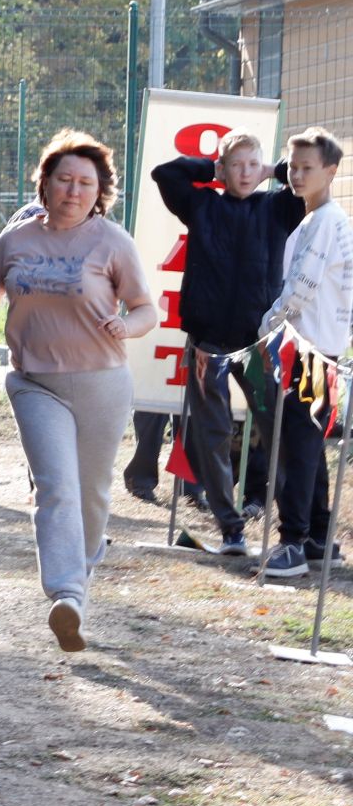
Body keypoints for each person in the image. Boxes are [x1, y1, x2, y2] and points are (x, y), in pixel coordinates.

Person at [0, 131, 159, 652]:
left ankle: (82, 568)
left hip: (102, 381)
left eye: (85, 183)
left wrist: (130, 326)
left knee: (92, 495)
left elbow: (147, 308)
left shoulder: (111, 241)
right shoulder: (16, 240)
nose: (73, 190)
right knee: (55, 487)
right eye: (64, 180)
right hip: (34, 383)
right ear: (45, 184)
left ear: (99, 191)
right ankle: (66, 595)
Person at [151, 131, 306, 551]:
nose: (244, 173)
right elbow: (164, 174)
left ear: (262, 170)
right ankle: (230, 527)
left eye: (252, 165)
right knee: (213, 434)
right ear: (222, 169)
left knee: (280, 428)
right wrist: (210, 170)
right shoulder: (202, 205)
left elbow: (305, 183)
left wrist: (275, 170)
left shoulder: (276, 208)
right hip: (209, 343)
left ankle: (293, 525)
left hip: (259, 343)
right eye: (235, 165)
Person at [258, 128, 351, 579]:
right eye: (292, 167)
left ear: (331, 171)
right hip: (321, 348)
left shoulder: (323, 222)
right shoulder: (326, 218)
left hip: (307, 351)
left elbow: (302, 285)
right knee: (307, 444)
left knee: (297, 447)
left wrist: (267, 326)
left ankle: (291, 543)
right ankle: (316, 537)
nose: (295, 175)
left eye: (306, 168)